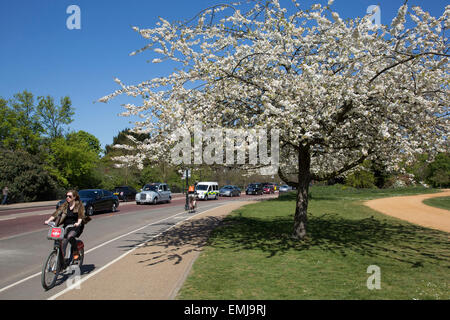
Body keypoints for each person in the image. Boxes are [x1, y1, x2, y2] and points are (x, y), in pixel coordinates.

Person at [44, 190, 91, 263]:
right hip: (66, 226)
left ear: (74, 197)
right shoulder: (65, 205)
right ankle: (60, 263)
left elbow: (81, 215)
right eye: (67, 196)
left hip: (75, 226)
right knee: (62, 242)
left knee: (70, 237)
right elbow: (56, 213)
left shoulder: (79, 205)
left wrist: (78, 222)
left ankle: (75, 252)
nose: (67, 198)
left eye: (70, 196)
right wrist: (48, 220)